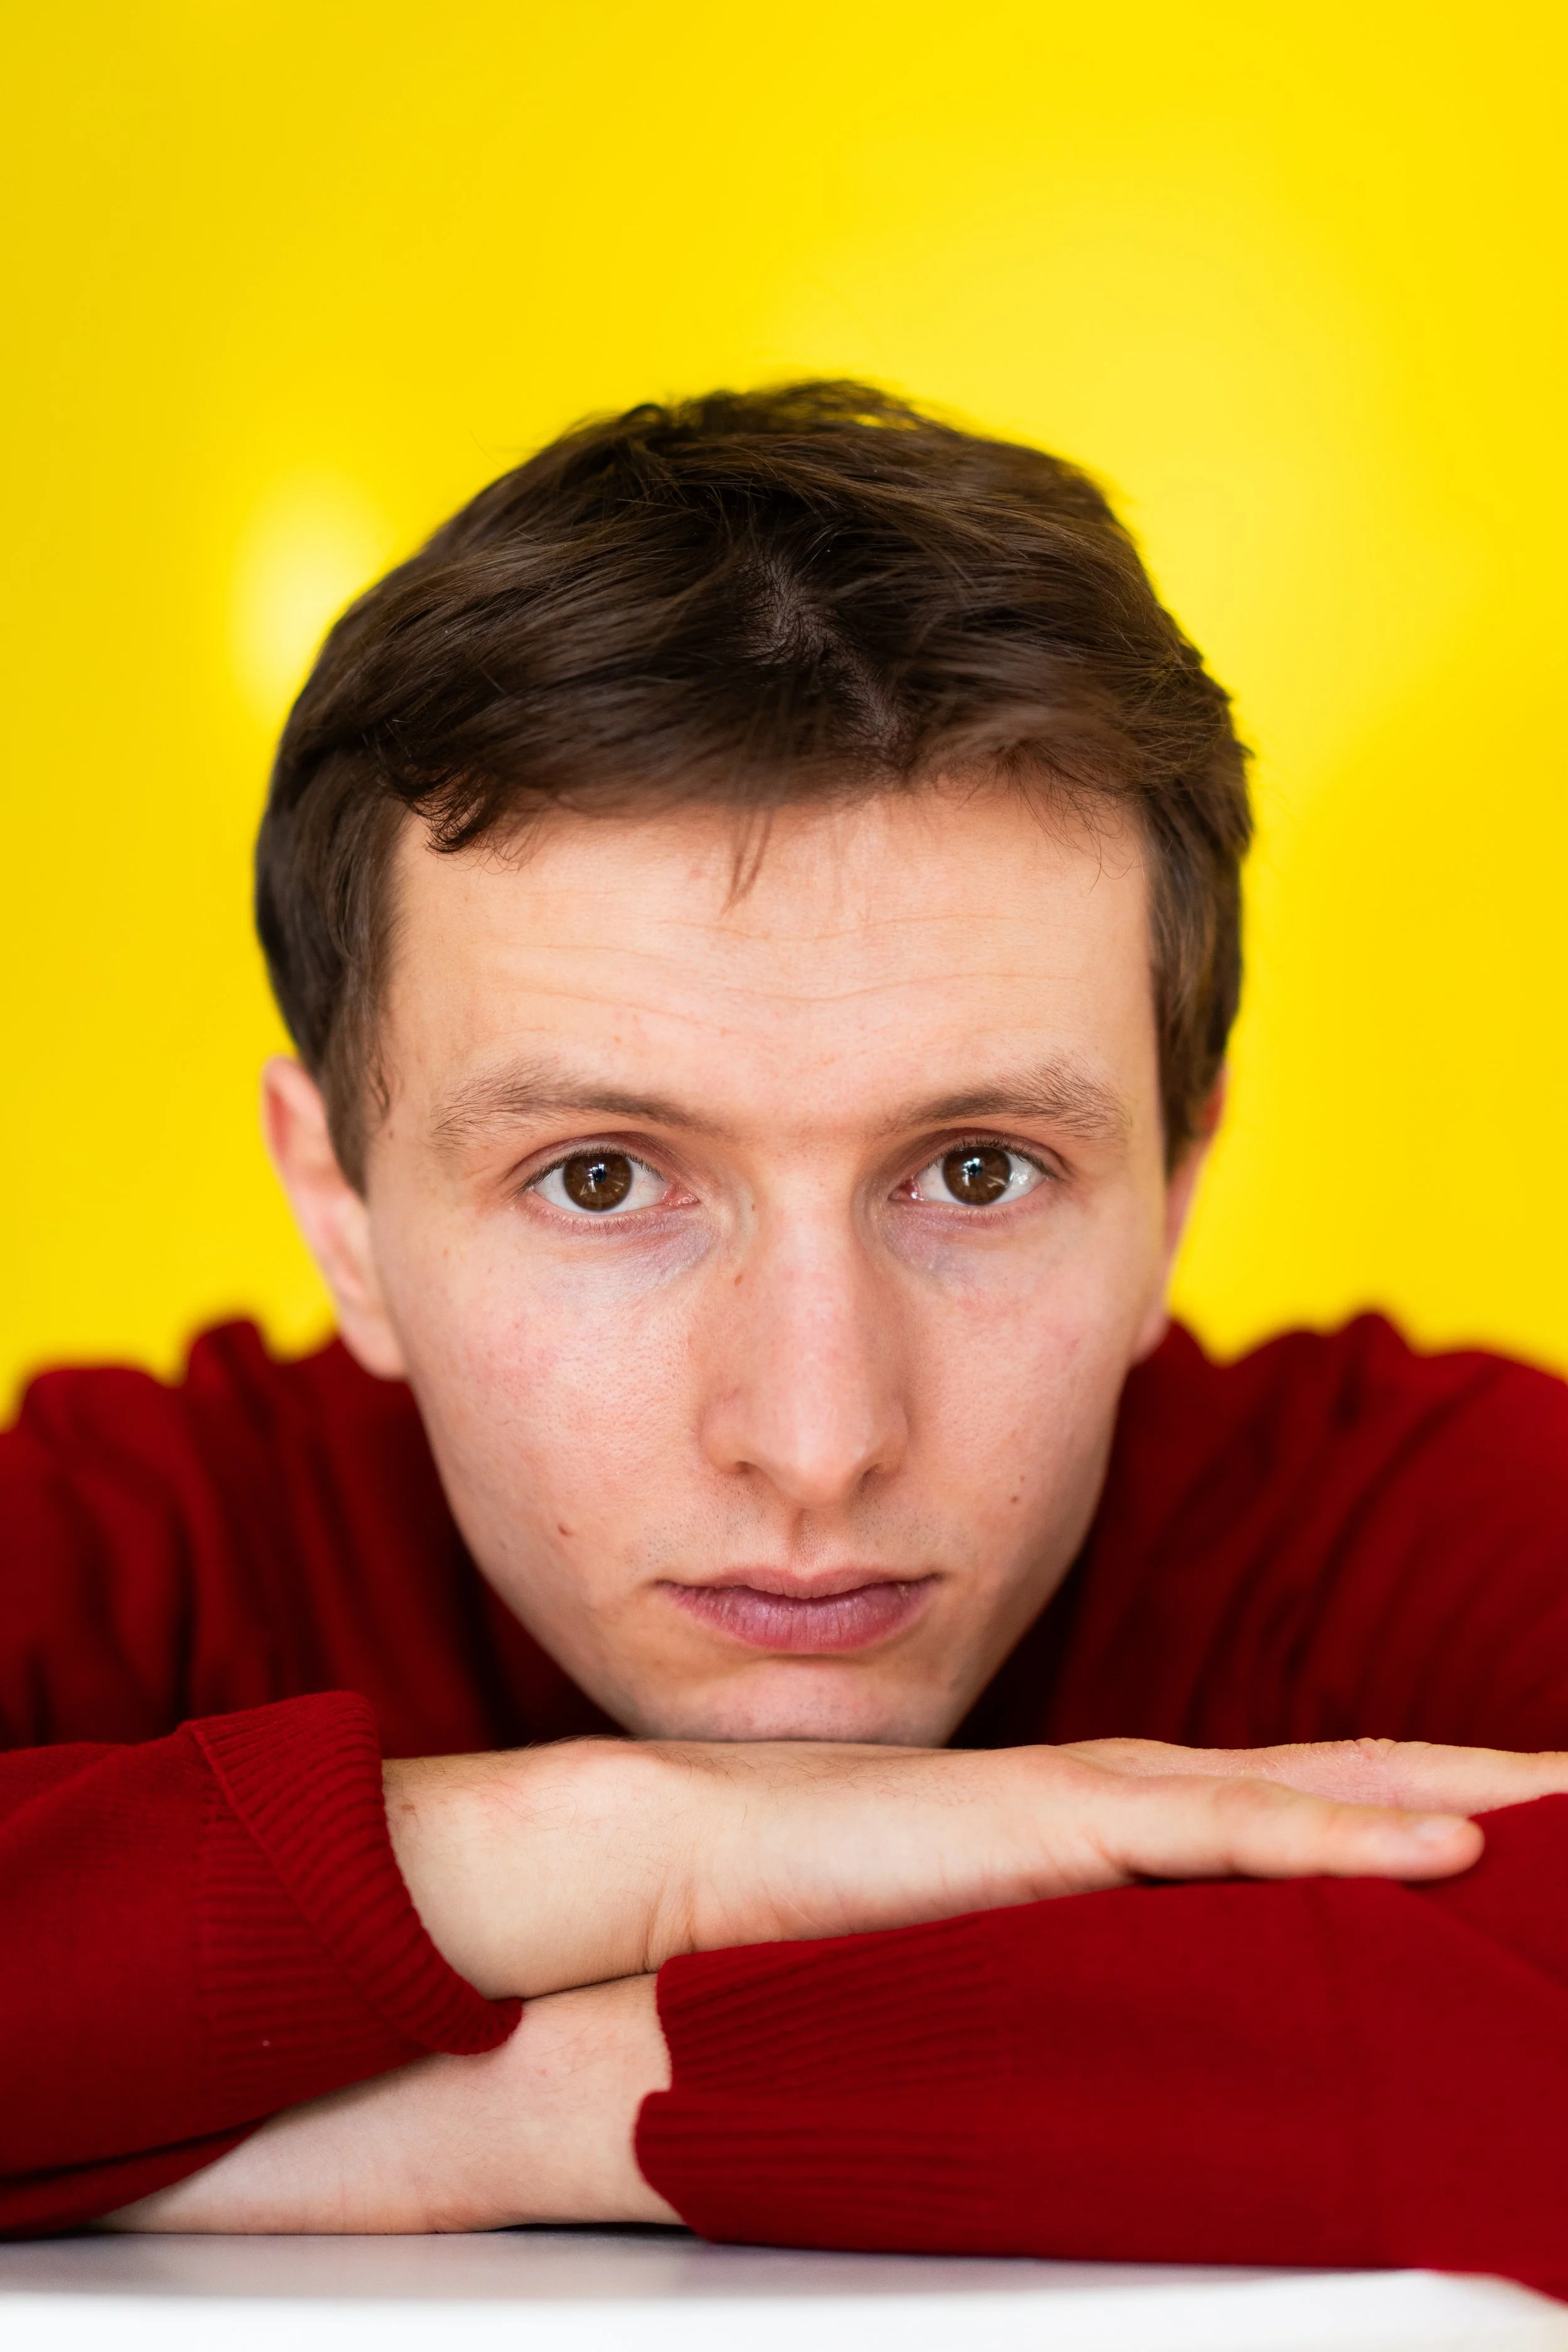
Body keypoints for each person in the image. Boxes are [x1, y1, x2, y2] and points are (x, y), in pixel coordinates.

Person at [4, 383, 1568, 2286]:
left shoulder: (1391, 1524)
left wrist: (527, 2104)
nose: (816, 1435)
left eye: (977, 1170)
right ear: (339, 1208)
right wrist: (629, 1848)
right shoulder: (159, 1543)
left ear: (1173, 1188)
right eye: (599, 1180)